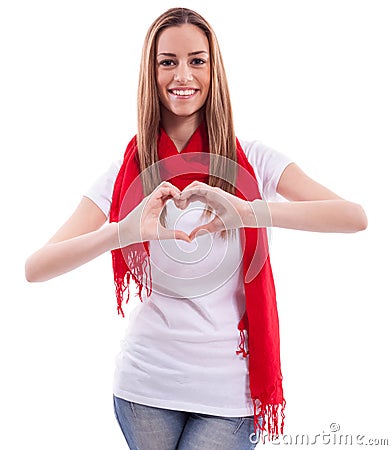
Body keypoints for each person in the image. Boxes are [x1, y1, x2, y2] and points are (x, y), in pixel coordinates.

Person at [25, 7, 368, 450]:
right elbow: (36, 267)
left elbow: (353, 217)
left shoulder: (254, 160)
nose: (182, 74)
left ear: (213, 68)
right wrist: (123, 231)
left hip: (231, 394)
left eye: (196, 60)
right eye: (168, 61)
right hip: (144, 388)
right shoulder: (126, 171)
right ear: (152, 71)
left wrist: (249, 211)